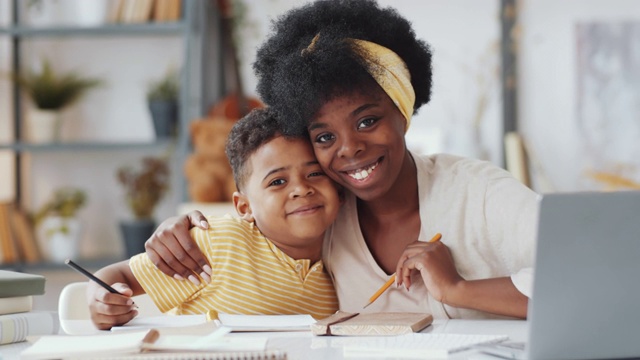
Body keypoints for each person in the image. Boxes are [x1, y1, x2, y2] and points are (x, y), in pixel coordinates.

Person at [145, 0, 539, 320]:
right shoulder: (323, 215)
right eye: (325, 137)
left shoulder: (477, 192)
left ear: (402, 113)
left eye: (367, 120)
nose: (349, 148)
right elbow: (255, 231)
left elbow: (590, 274)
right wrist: (180, 229)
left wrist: (458, 290)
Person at [87, 108, 341, 329]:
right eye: (277, 181)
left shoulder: (343, 258)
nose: (301, 189)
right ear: (244, 207)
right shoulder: (218, 242)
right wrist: (101, 301)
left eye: (315, 173)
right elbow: (115, 275)